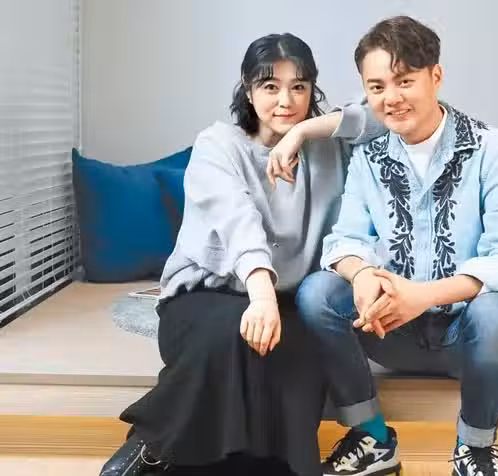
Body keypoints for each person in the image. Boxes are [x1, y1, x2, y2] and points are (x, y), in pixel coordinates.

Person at [99, 32, 383, 476]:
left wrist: (304, 131)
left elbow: (387, 114)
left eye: (299, 86)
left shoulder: (328, 146)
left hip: (286, 304)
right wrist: (262, 295)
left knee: (298, 358)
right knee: (233, 335)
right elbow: (237, 221)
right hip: (205, 297)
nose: (286, 100)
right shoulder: (218, 144)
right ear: (249, 90)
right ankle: (151, 446)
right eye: (270, 86)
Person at [294, 16, 498, 476]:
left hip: (468, 337)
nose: (391, 97)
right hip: (389, 332)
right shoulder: (369, 156)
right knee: (317, 292)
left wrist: (422, 296)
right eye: (377, 86)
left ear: (435, 76)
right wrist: (362, 274)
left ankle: (473, 451)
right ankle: (372, 437)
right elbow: (345, 239)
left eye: (405, 81)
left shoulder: (492, 149)